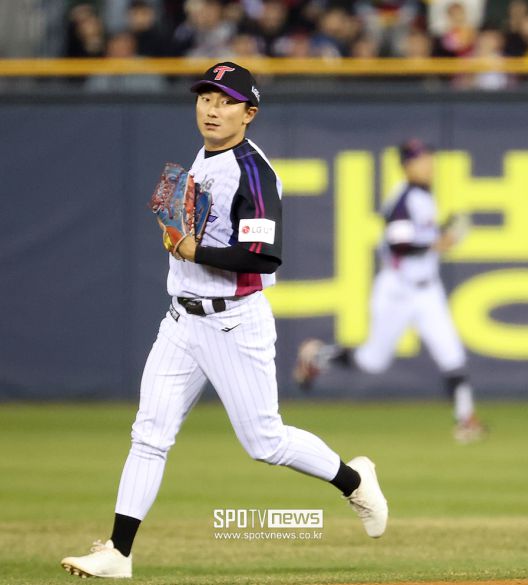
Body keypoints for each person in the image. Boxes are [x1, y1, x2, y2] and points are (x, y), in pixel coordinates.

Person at [60, 61, 388, 579]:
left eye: (226, 102)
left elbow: (264, 256)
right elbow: (191, 225)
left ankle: (354, 481)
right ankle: (119, 553)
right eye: (205, 98)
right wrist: (177, 230)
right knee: (149, 434)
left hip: (234, 322)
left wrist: (193, 249)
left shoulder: (253, 173)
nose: (212, 109)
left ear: (249, 113)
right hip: (181, 319)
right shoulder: (203, 156)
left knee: (266, 442)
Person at [294, 139, 486, 444]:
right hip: (398, 291)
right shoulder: (402, 200)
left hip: (428, 290)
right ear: (406, 166)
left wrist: (439, 236)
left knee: (452, 355)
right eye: (420, 160)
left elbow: (421, 237)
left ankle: (466, 420)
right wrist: (438, 242)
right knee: (373, 361)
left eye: (428, 158)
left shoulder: (424, 196)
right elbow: (399, 244)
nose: (428, 164)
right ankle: (317, 357)